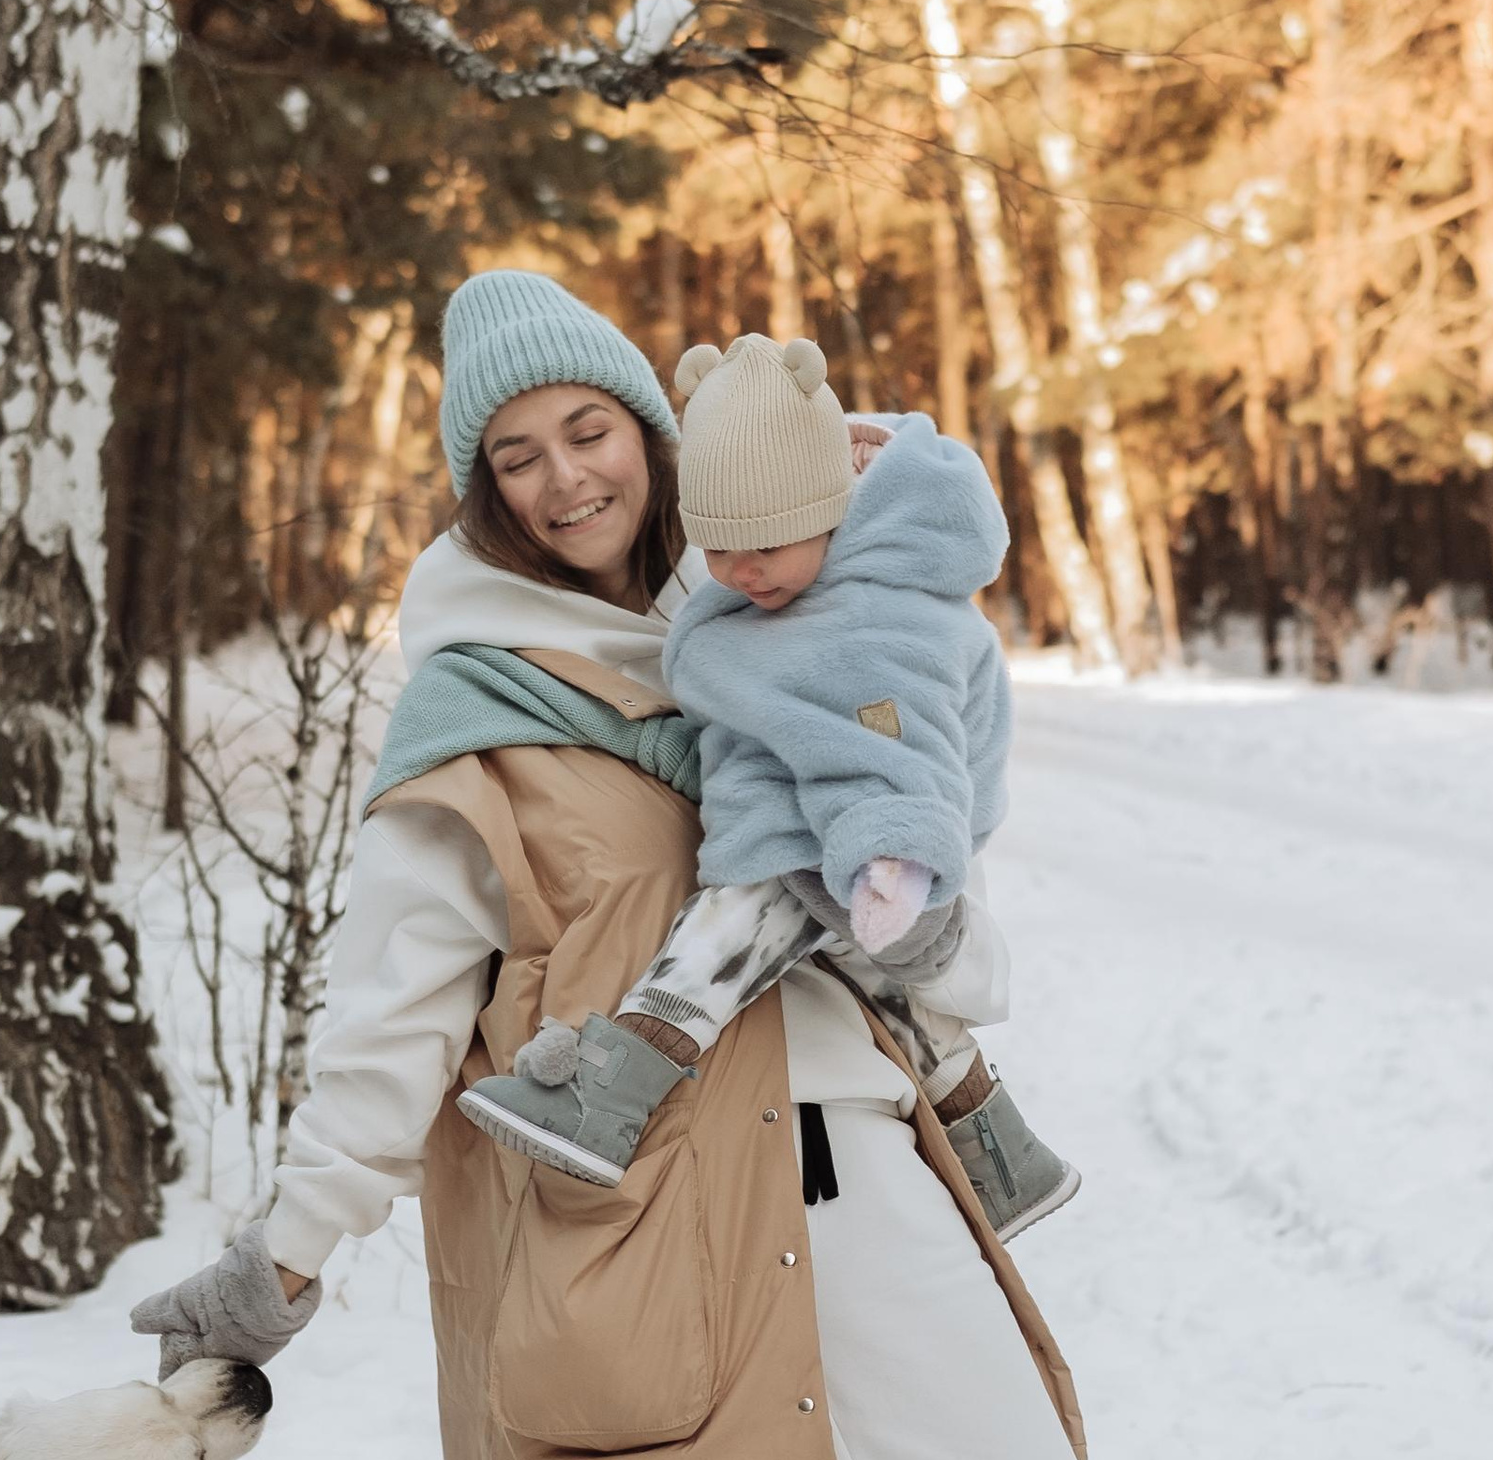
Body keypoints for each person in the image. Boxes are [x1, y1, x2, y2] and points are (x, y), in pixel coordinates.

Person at [132, 268, 1221, 1460]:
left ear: (656, 425)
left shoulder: (798, 614)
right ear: (481, 492)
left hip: (860, 1163)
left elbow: (923, 871)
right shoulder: (476, 709)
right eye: (517, 455)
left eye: (592, 429)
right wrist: (294, 1248)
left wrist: (953, 943)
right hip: (634, 1208)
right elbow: (394, 1000)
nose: (566, 479)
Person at [455, 326, 1077, 1240]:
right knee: (885, 989)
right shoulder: (786, 583)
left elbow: (896, 748)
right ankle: (1003, 1155)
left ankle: (613, 1089)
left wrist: (893, 859)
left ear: (829, 509)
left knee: (730, 924)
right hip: (831, 823)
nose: (743, 573)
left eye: (769, 545)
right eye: (719, 551)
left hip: (884, 834)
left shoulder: (879, 611)